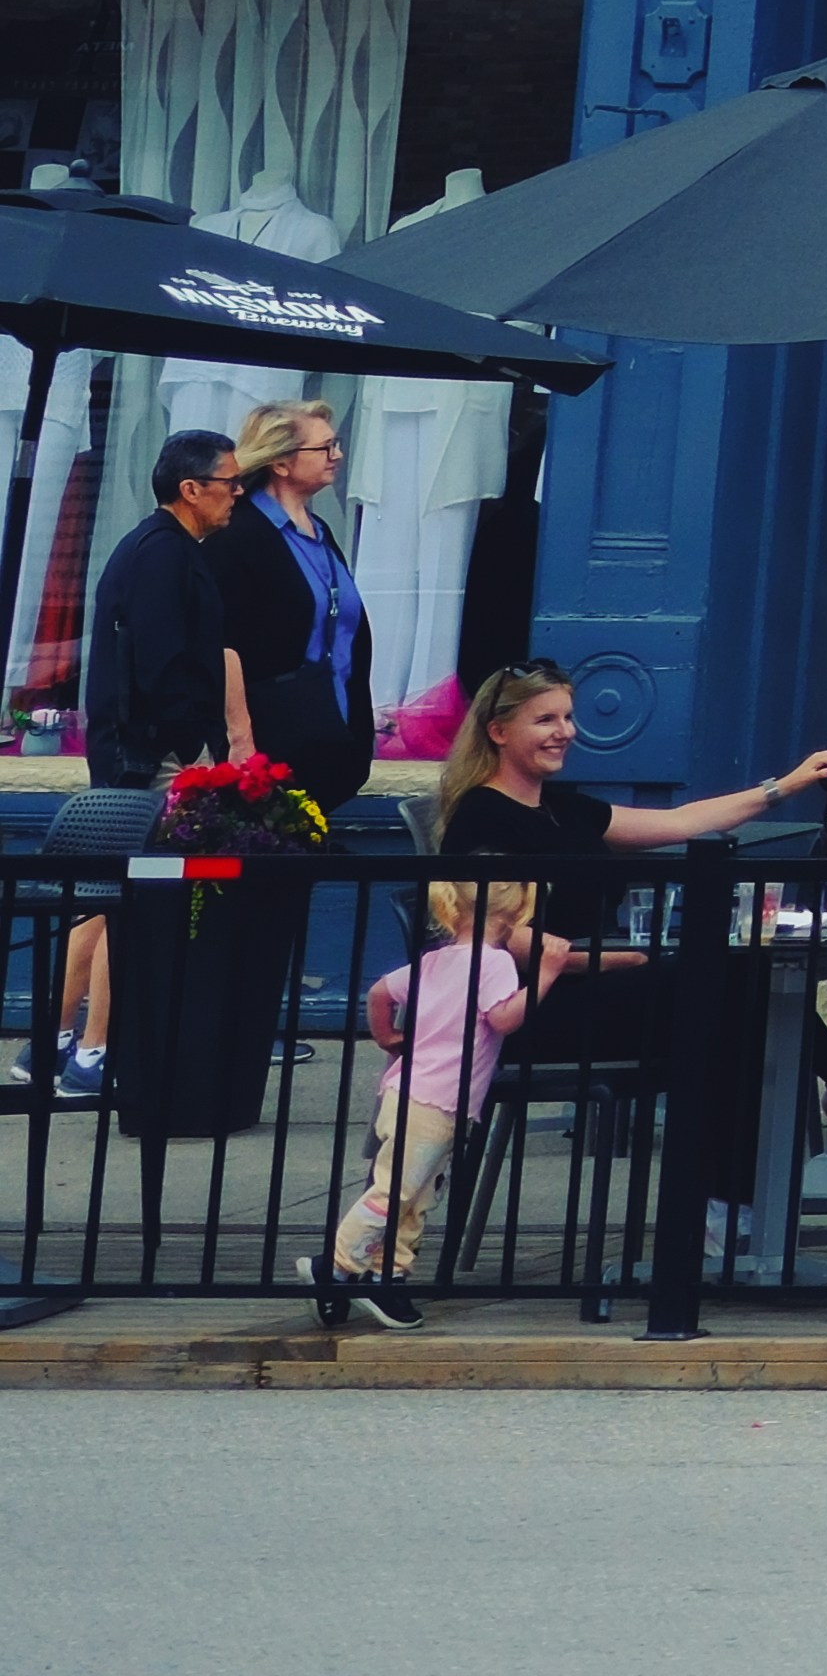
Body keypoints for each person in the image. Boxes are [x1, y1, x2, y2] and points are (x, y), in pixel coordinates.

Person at [422, 662, 827, 1274]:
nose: (564, 731)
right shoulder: (481, 818)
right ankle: (757, 1176)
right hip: (531, 1004)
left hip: (595, 984)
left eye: (568, 717)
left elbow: (681, 823)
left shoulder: (564, 809)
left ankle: (738, 1198)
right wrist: (617, 958)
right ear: (497, 731)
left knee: (742, 987)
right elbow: (500, 935)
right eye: (545, 719)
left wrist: (783, 786)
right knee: (729, 989)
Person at [45, 431, 246, 1098]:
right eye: (229, 481)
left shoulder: (157, 548)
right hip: (156, 757)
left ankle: (53, 1042)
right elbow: (165, 662)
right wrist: (191, 751)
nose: (238, 493)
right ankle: (95, 1052)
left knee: (107, 902)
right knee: (138, 903)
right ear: (191, 489)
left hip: (138, 749)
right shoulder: (164, 555)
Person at [329, 868, 560, 1329]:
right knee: (396, 1189)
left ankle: (387, 1275)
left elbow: (379, 992)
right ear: (516, 911)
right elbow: (503, 1019)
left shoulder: (436, 960)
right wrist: (546, 975)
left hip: (413, 1092)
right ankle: (336, 1267)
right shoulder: (494, 963)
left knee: (414, 1195)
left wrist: (388, 1037)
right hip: (436, 1100)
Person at [233, 400, 378, 805]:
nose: (338, 456)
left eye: (337, 444)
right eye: (325, 448)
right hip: (271, 744)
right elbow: (224, 642)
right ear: (280, 463)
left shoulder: (319, 530)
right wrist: (240, 738)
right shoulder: (241, 531)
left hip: (334, 735)